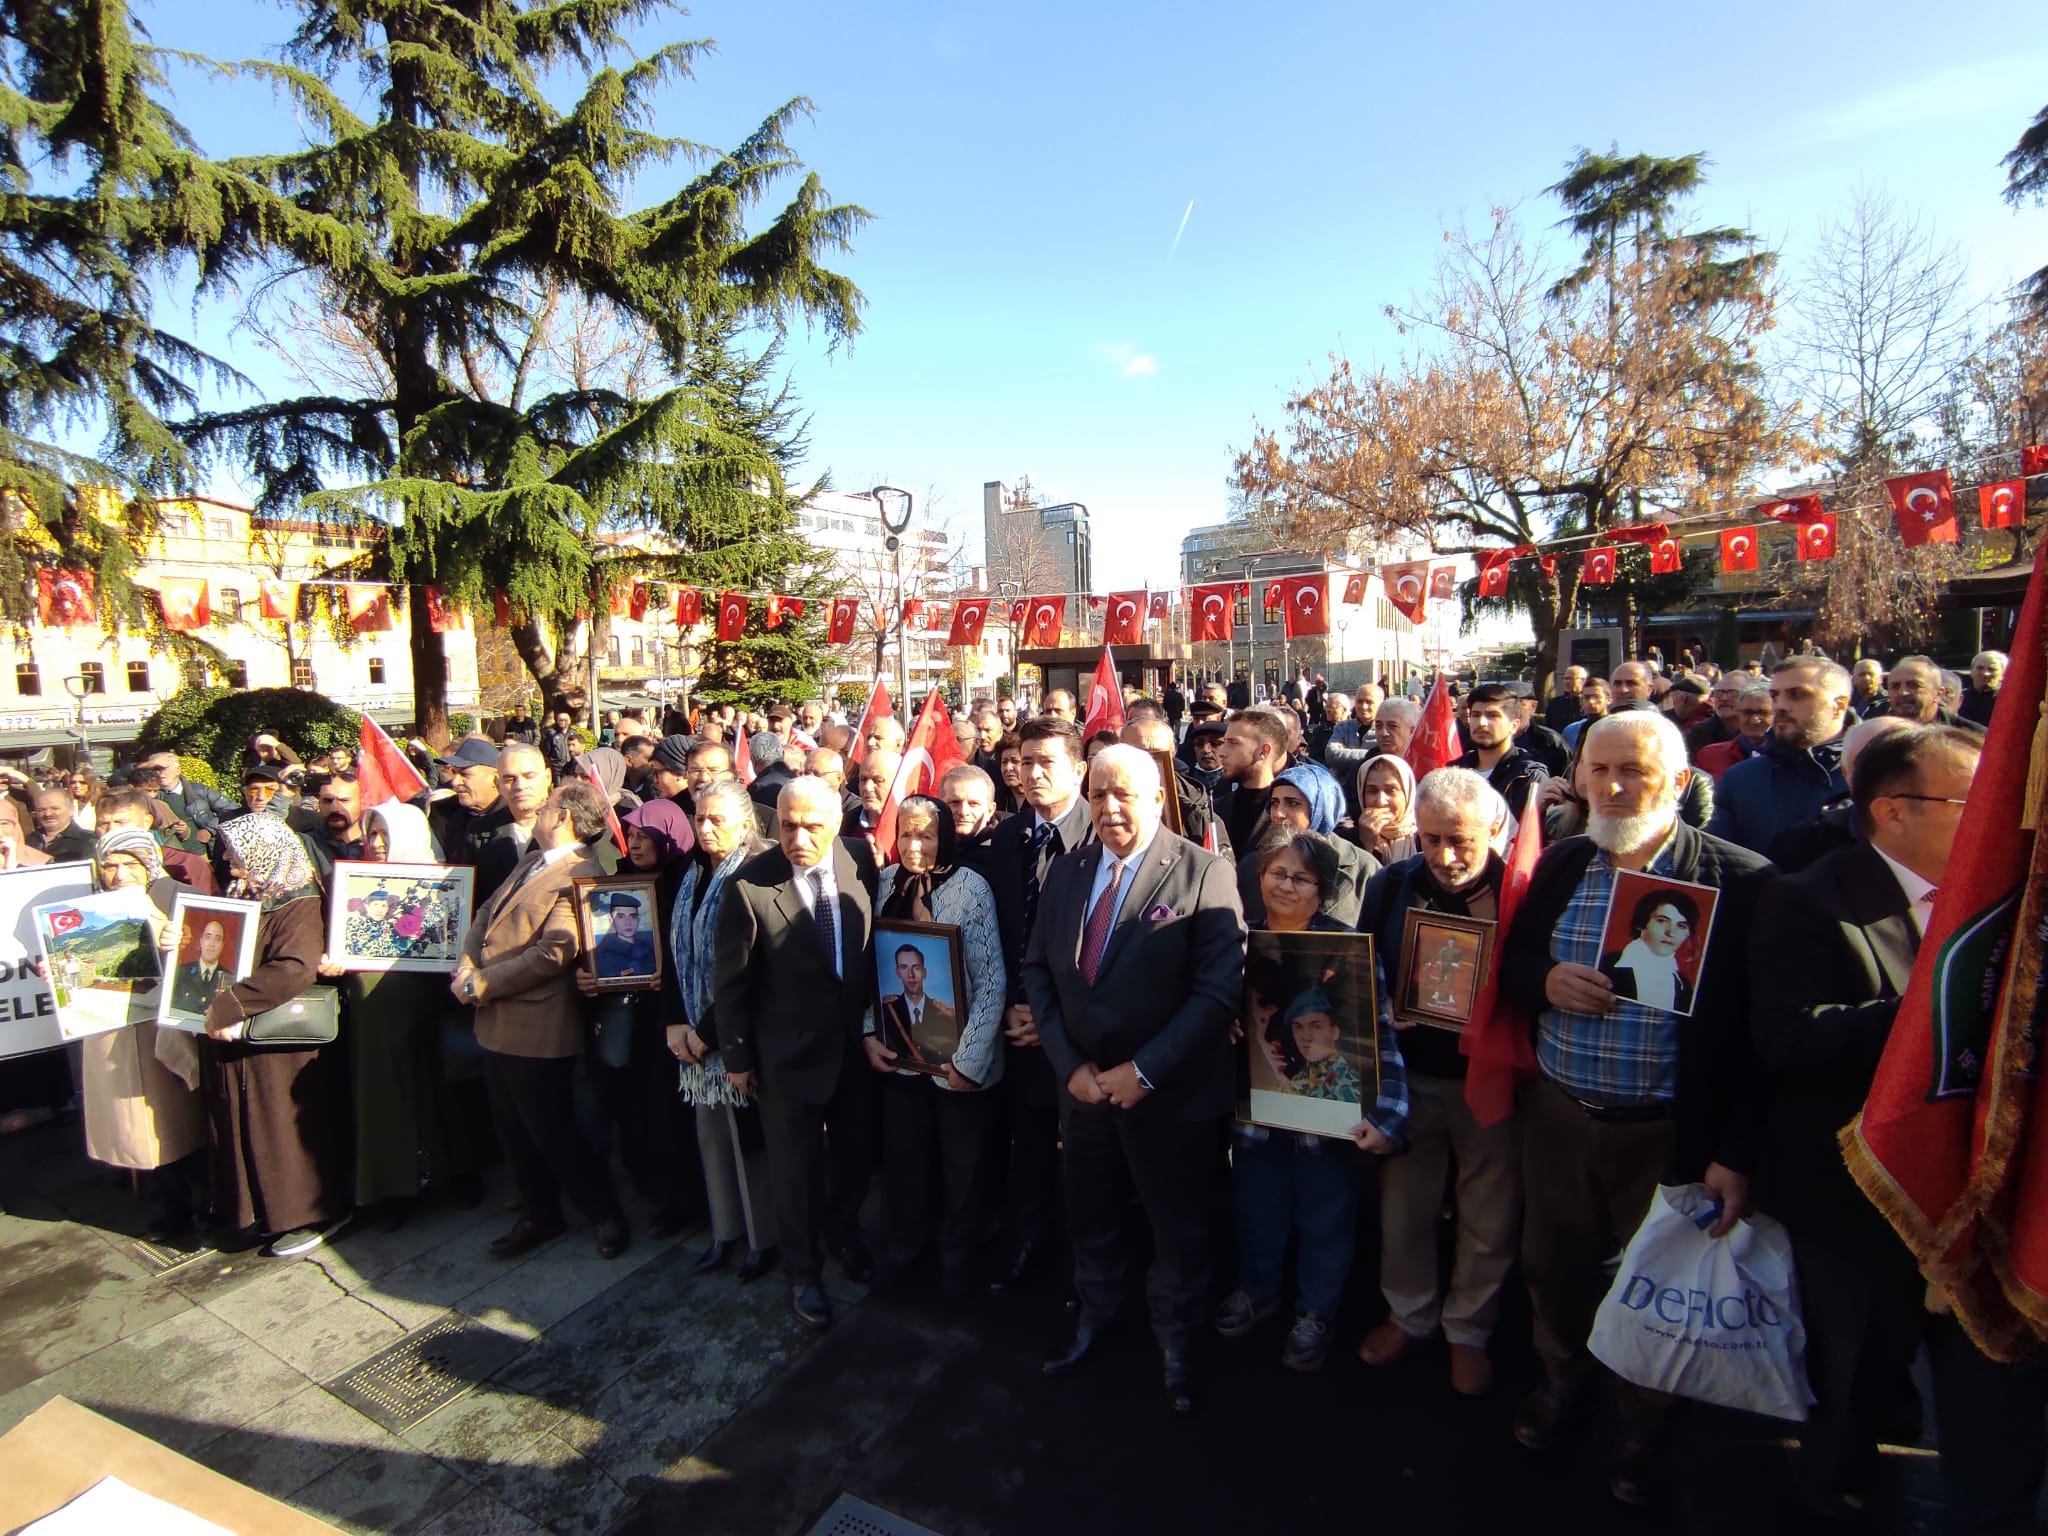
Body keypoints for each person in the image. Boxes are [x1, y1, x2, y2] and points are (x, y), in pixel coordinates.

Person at [1497, 711, 1774, 1505]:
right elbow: (1513, 962)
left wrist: (1736, 1151)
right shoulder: (1563, 862)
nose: (1614, 788)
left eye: (1636, 773)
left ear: (1680, 784)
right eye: (1599, 770)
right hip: (1558, 1116)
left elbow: (1762, 1038)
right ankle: (1562, 1382)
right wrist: (1542, 981)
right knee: (1555, 1267)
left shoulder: (1742, 880)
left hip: (1668, 1132)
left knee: (1661, 1291)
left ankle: (1645, 1425)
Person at [1749, 723, 1980, 1520]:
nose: (1991, 814)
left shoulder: (2001, 899)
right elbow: (1786, 1037)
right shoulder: (1809, 899)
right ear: (1892, 812)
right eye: (1968, 799)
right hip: (1856, 1196)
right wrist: (1928, 1011)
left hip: (1972, 1192)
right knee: (1850, 1373)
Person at [1027, 745, 1246, 1414]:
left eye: (1124, 794)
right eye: (1098, 794)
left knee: (1177, 1231)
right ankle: (1096, 1317)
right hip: (1086, 1095)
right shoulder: (1067, 870)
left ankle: (1176, 1344)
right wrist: (1071, 1070)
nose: (1109, 807)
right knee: (1090, 1215)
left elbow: (1217, 993)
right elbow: (1037, 970)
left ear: (1157, 797)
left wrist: (1144, 1071)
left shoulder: (1204, 873)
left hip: (1170, 1098)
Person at [1354, 769, 1520, 1395]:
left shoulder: (1518, 891)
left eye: (1461, 842)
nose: (1445, 857)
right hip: (1410, 1078)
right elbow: (1361, 964)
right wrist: (1377, 1006)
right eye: (1429, 840)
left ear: (1492, 832)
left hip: (1490, 1081)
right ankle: (1410, 1313)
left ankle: (1469, 1330)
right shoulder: (1392, 884)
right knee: (1404, 1212)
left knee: (1489, 1213)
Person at [1216, 831, 1406, 1374]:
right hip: (1256, 1110)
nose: (1286, 885)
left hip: (1326, 1119)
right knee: (1258, 1204)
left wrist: (1386, 1114)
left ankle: (1316, 1310)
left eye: (1301, 878)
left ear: (1322, 891)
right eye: (1277, 873)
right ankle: (1258, 1288)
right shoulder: (1240, 940)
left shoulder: (1347, 949)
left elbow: (1379, 1039)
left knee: (1326, 1214)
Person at [713, 775, 880, 1330]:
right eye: (787, 826)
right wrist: (737, 1058)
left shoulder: (860, 858)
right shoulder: (750, 885)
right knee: (795, 1172)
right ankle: (802, 1273)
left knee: (855, 1157)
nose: (799, 837)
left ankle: (844, 1235)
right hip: (785, 1056)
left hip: (854, 1050)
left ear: (837, 823)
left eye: (812, 826)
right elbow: (731, 982)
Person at [455, 779, 628, 1260]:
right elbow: (487, 912)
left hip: (538, 1027)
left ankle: (605, 1213)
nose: (539, 808)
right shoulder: (534, 860)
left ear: (564, 818)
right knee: (513, 1131)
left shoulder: (583, 871)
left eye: (550, 804)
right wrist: (468, 963)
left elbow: (556, 950)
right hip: (493, 1024)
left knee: (553, 1132)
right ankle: (540, 1214)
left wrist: (484, 983)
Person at [868, 796, 1005, 1298]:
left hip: (958, 1064)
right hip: (902, 1057)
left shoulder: (971, 888)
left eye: (925, 835)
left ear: (943, 837)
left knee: (961, 1168)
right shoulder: (884, 883)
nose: (914, 845)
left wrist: (966, 1061)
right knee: (905, 1162)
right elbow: (875, 970)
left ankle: (957, 1260)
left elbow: (991, 981)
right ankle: (904, 1251)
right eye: (905, 833)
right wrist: (871, 1032)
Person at [328, 799, 486, 1223]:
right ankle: (393, 1189)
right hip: (373, 1019)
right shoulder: (355, 886)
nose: (376, 844)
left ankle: (456, 1176)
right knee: (384, 1101)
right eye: (372, 835)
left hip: (426, 1010)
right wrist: (334, 960)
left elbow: (456, 945)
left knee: (438, 1096)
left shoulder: (439, 884)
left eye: (385, 835)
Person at [200, 814, 349, 1257]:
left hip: (279, 1042)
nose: (227, 858)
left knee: (280, 1125)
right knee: (251, 1123)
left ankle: (309, 1213)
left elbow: (295, 967)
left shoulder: (297, 900)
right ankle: (264, 1211)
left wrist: (231, 1003)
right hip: (242, 1038)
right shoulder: (246, 893)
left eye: (235, 849)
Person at [982, 715, 1095, 1295]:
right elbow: (998, 935)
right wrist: (1008, 1009)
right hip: (1017, 1023)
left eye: (1046, 762)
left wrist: (1053, 1023)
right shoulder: (1007, 837)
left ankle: (1087, 1269)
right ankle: (1026, 1241)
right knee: (1027, 1143)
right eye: (1025, 762)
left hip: (1078, 1032)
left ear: (1078, 770)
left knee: (1082, 1156)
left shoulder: (1102, 838)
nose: (1032, 774)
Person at [578, 797, 699, 1239]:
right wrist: (589, 974)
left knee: (668, 1110)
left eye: (645, 836)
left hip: (671, 1013)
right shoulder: (615, 885)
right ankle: (647, 1189)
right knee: (632, 1106)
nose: (636, 843)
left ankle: (681, 1200)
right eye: (630, 835)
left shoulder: (687, 880)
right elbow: (597, 945)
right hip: (628, 1015)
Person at [669, 780, 776, 1280]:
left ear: (745, 823)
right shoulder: (690, 872)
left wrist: (708, 1033)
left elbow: (747, 968)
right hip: (693, 1036)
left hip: (736, 1035)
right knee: (711, 1137)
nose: (705, 828)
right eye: (699, 819)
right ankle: (725, 1232)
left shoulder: (757, 872)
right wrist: (677, 1022)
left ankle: (762, 1239)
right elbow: (677, 954)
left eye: (717, 820)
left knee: (749, 1142)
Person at [81, 828, 207, 1241]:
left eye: (129, 864)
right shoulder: (88, 912)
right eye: (111, 866)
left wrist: (179, 941)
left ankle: (201, 1205)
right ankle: (166, 1211)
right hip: (112, 1028)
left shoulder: (173, 900)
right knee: (137, 1128)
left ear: (148, 865)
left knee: (174, 1122)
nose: (118, 874)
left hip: (159, 1028)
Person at [1705, 659, 1852, 854]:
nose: (1780, 706)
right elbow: (1718, 864)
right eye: (1775, 696)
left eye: (1797, 695)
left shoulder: (1876, 775)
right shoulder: (1739, 780)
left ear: (1838, 705)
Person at [1237, 763, 1376, 926]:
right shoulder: (1251, 865)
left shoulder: (1363, 867)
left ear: (1322, 806)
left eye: (1292, 803)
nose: (1278, 813)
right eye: (1274, 803)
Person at [1454, 684, 1547, 823]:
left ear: (1514, 725)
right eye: (1475, 715)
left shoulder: (1527, 776)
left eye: (1492, 716)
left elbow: (1527, 837)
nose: (1481, 723)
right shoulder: (1455, 770)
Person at [1597, 889, 1700, 1011]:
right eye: (1662, 921)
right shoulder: (1604, 965)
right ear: (1641, 923)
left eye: (1681, 926)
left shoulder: (1684, 987)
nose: (1671, 933)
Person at [1213, 706, 1288, 856]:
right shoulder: (1216, 809)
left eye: (1233, 743)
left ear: (1263, 751)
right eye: (1224, 742)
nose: (1221, 752)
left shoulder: (1287, 814)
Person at [1692, 683, 1771, 781]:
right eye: (1747, 713)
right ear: (1738, 714)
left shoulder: (1790, 759)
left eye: (1763, 713)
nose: (1754, 720)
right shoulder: (1709, 755)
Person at [1349, 754, 1419, 864]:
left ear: (1408, 794)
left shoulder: (1426, 838)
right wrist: (1366, 844)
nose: (1381, 802)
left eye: (1391, 790)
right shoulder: (1347, 842)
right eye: (1372, 791)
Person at [304, 773, 364, 891]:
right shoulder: (306, 844)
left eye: (344, 800)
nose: (335, 808)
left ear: (363, 801)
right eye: (328, 801)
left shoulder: (378, 845)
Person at [169, 919, 234, 1017]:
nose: (212, 944)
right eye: (208, 937)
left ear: (222, 945)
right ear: (201, 941)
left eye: (218, 939)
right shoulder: (181, 972)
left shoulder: (229, 979)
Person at [592, 893, 656, 979]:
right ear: (611, 921)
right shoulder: (602, 955)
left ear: (638, 920)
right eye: (621, 916)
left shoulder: (651, 949)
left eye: (633, 916)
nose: (628, 922)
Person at [28, 787, 94, 862]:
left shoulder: (89, 841)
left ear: (71, 810)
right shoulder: (28, 841)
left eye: (55, 808)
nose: (47, 814)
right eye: (41, 810)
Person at [937, 763, 998, 843]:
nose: (963, 812)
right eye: (955, 802)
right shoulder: (926, 849)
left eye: (974, 804)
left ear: (990, 810)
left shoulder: (1007, 850)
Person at [1684, 677, 1745, 758]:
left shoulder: (1756, 731)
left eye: (1733, 693)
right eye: (1719, 693)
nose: (1724, 698)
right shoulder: (1700, 732)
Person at [1559, 676, 1611, 751]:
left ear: (1609, 699)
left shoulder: (1619, 729)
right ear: (1581, 700)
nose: (1591, 702)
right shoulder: (1571, 731)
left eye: (1596, 697)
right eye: (1587, 697)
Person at [1959, 648, 2006, 727]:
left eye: (1992, 669)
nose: (1985, 674)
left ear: (2002, 675)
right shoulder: (1959, 698)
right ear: (1971, 672)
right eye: (1980, 668)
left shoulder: (2005, 702)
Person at [1544, 666, 1589, 731]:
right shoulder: (1555, 703)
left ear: (1583, 681)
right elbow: (1548, 728)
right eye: (1565, 679)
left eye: (1571, 679)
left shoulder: (1588, 703)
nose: (1566, 682)